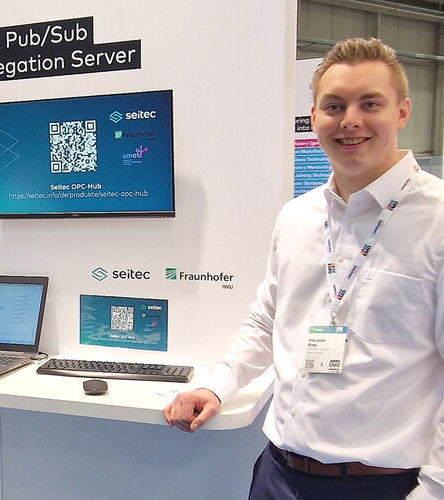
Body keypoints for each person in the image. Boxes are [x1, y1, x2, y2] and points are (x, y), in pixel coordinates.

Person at [164, 38, 444, 500]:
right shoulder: (297, 216)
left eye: (369, 103)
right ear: (314, 117)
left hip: (383, 485)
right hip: (278, 474)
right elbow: (266, 320)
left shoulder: (436, 219)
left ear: (402, 112)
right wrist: (216, 386)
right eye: (334, 106)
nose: (350, 119)